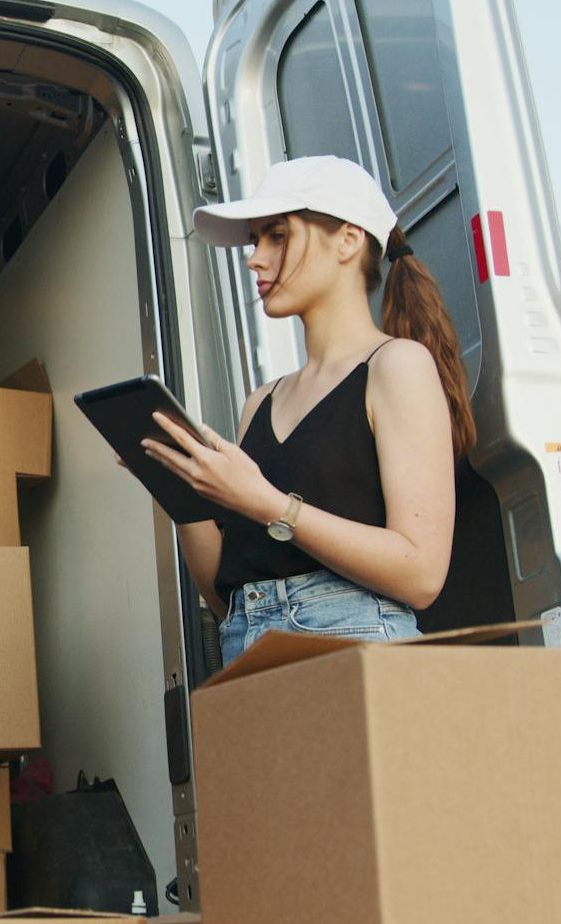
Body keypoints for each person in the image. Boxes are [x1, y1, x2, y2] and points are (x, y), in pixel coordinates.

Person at [142, 155, 475, 665]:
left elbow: (421, 572)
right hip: (248, 647)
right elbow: (225, 594)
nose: (255, 259)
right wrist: (173, 487)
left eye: (277, 236)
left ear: (348, 240)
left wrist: (269, 504)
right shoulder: (261, 401)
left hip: (357, 644)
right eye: (256, 242)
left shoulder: (397, 365)